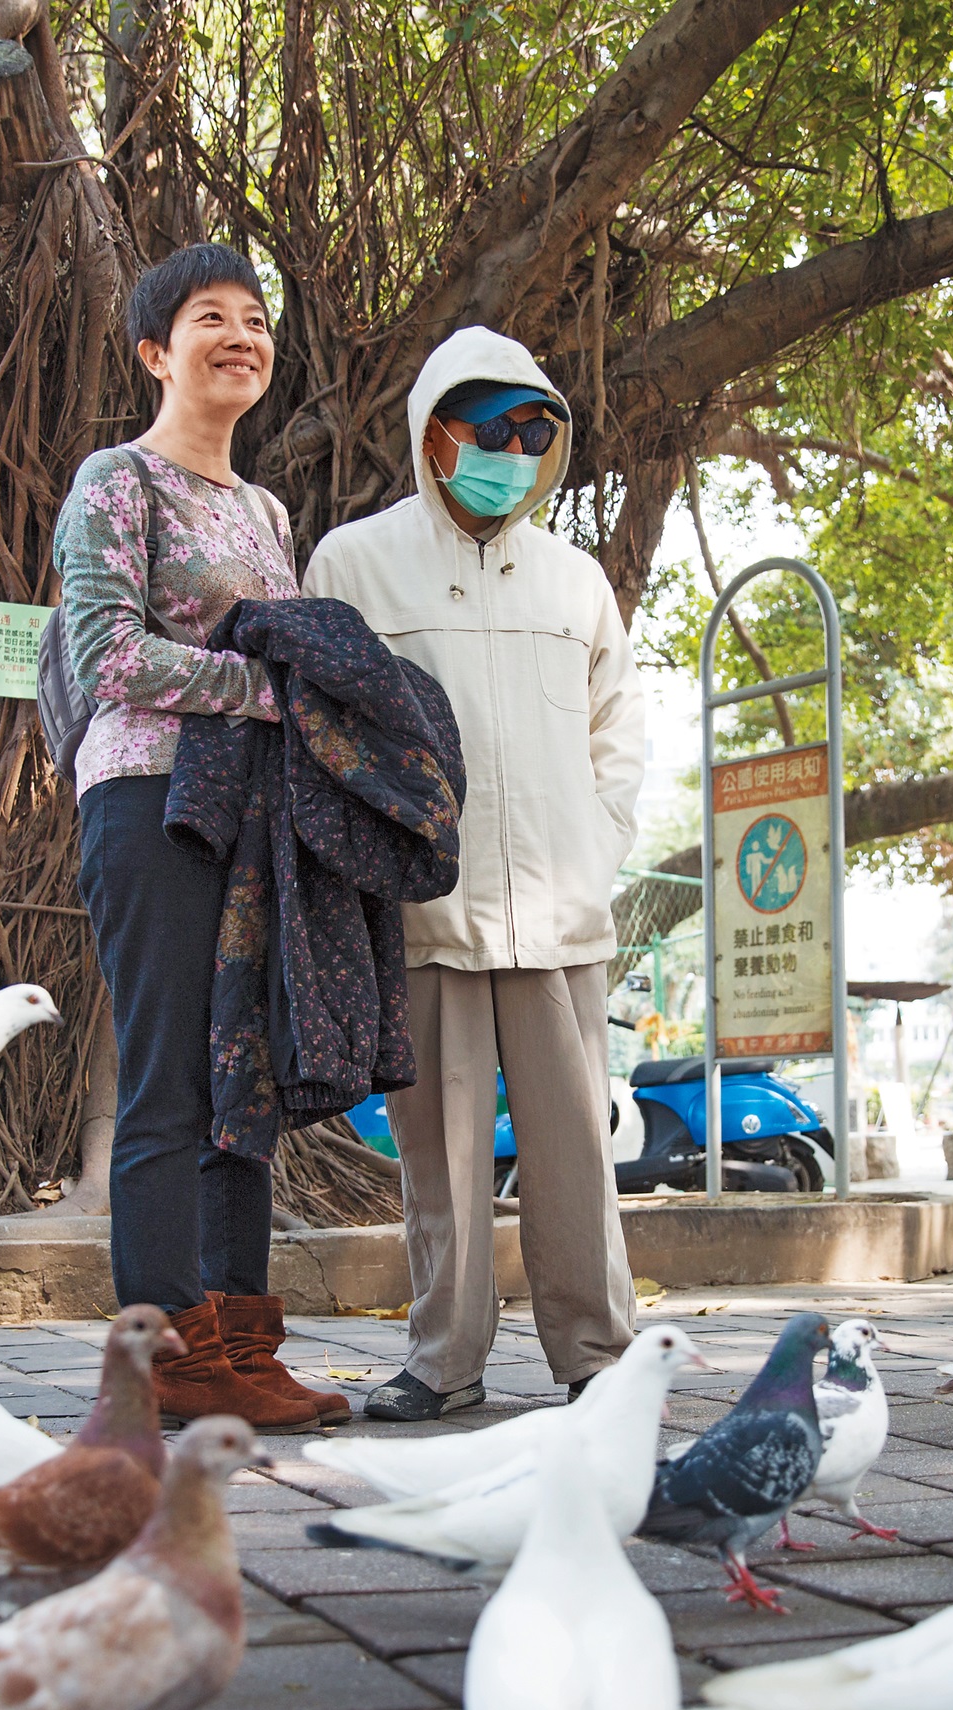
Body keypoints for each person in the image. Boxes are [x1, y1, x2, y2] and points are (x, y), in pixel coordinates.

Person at [304, 328, 647, 1418]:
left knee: (574, 1155)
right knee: (440, 1160)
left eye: (534, 431)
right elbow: (325, 725)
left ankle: (597, 1353)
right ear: (434, 432)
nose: (514, 449)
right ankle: (443, 1360)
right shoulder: (355, 563)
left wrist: (599, 843)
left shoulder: (576, 579)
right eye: (492, 428)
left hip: (559, 912)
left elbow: (617, 731)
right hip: (427, 907)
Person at [51, 243, 346, 1432]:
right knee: (171, 1082)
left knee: (245, 1084)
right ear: (153, 353)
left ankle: (243, 1345)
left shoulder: (266, 509)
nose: (240, 335)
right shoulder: (117, 482)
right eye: (208, 317)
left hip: (250, 819)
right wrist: (272, 691)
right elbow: (107, 655)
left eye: (256, 318)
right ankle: (169, 1356)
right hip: (147, 804)